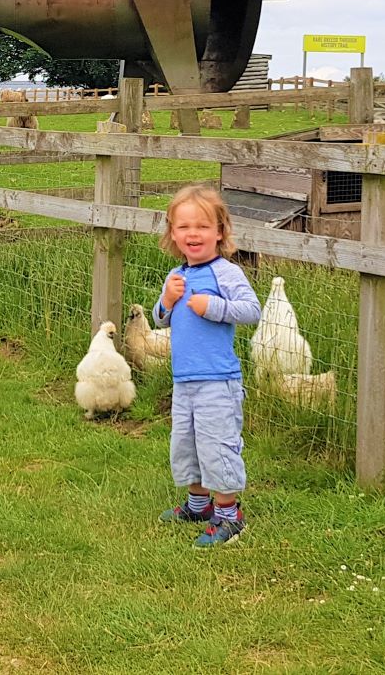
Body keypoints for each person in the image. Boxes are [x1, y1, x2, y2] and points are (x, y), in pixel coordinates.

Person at [152, 184, 261, 546]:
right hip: (184, 381)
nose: (193, 234)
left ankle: (230, 516)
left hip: (218, 380)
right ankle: (198, 505)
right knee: (187, 444)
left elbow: (251, 310)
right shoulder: (175, 276)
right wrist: (166, 301)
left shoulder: (226, 273)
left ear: (219, 232)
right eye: (183, 227)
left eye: (202, 226)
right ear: (172, 233)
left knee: (217, 445)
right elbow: (160, 319)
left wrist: (212, 308)